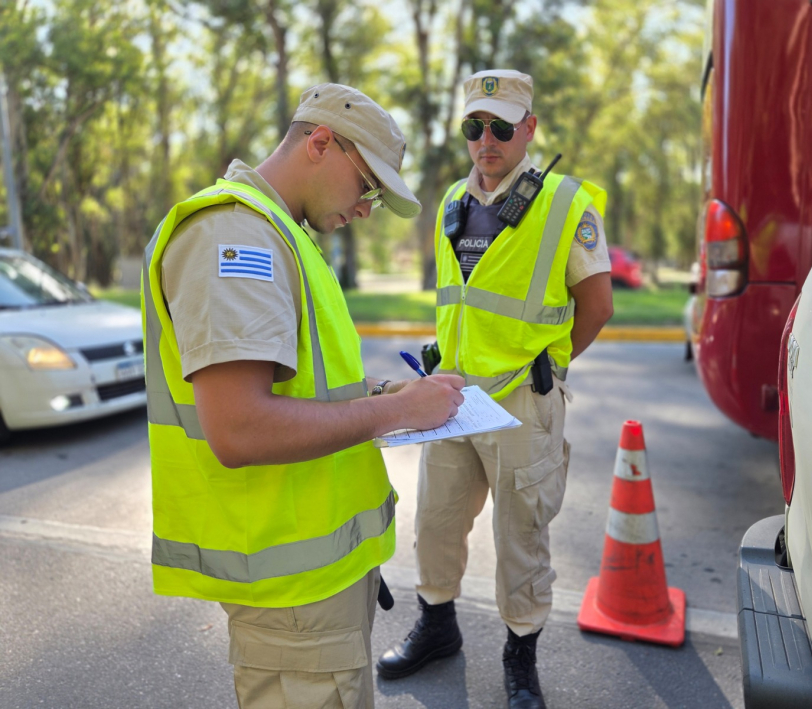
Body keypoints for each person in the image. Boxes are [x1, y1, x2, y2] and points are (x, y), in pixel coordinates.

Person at [142, 83, 466, 709]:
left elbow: (303, 387)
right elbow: (239, 428)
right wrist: (398, 411)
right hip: (293, 601)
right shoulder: (233, 237)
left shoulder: (281, 235)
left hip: (314, 590)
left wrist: (386, 389)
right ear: (321, 143)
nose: (367, 208)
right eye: (367, 185)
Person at [376, 70, 614, 708]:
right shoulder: (454, 199)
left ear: (529, 128)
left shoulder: (566, 204)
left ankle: (520, 655)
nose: (487, 139)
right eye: (475, 126)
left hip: (519, 403)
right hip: (451, 397)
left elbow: (597, 304)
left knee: (521, 536)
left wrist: (551, 365)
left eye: (502, 127)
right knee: (436, 521)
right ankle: (437, 625)